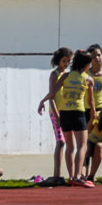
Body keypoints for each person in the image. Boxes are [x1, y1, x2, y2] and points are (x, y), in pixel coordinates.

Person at [38, 49, 96, 187]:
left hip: (64, 113)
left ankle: (71, 176)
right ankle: (77, 176)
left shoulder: (66, 76)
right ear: (86, 65)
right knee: (82, 145)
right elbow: (91, 100)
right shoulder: (88, 79)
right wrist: (93, 113)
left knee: (69, 145)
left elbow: (52, 93)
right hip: (78, 113)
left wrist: (42, 101)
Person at [38, 47, 71, 187]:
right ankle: (57, 174)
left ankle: (60, 174)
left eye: (69, 61)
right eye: (64, 61)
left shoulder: (68, 75)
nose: (67, 63)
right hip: (55, 111)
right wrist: (57, 115)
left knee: (66, 142)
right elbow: (52, 95)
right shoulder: (54, 74)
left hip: (66, 111)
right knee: (61, 141)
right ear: (58, 61)